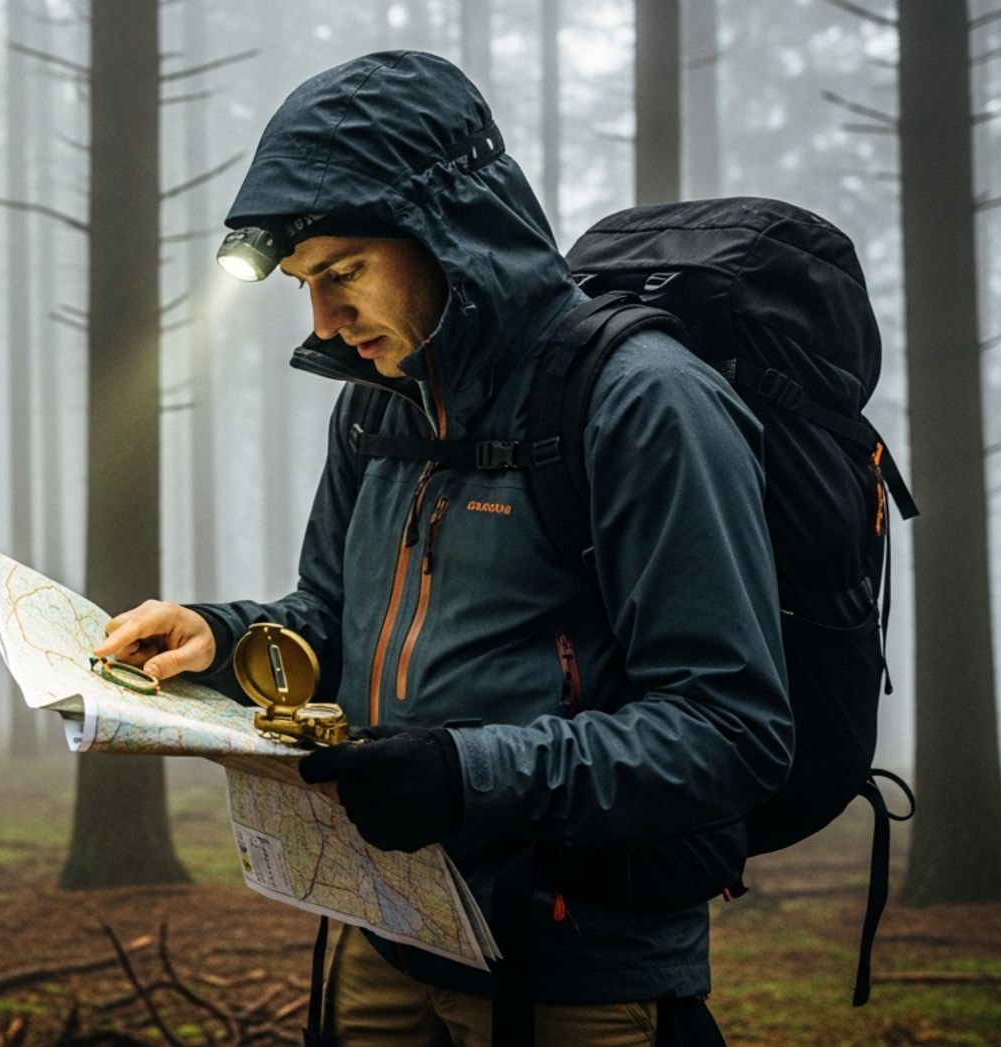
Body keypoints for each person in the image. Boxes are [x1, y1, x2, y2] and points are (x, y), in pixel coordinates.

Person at [92, 52, 791, 1046]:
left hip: (575, 972)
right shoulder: (377, 409)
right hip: (386, 936)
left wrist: (467, 774)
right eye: (302, 283)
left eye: (342, 274)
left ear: (450, 233)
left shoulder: (641, 401)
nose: (324, 321)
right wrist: (217, 634)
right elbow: (331, 622)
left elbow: (731, 728)